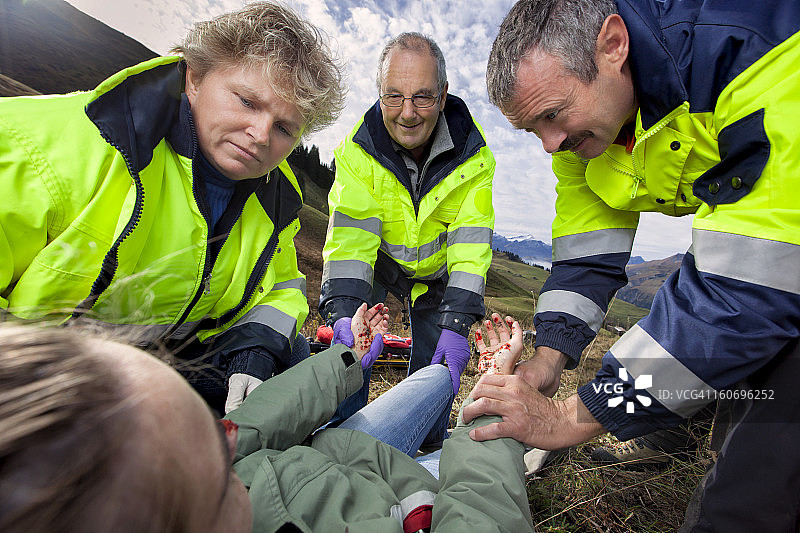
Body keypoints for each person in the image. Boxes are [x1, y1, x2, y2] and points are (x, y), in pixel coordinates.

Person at [474, 0, 800, 529]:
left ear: (613, 46)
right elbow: (585, 257)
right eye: (533, 129)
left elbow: (752, 282)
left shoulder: (752, 49)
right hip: (769, 251)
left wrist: (573, 416)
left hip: (783, 258)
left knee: (752, 481)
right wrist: (549, 358)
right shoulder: (579, 141)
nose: (550, 145)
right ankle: (670, 428)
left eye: (552, 115)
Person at [0, 2, 346, 415]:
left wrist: (253, 357)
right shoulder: (46, 146)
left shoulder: (277, 199)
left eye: (285, 128)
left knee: (310, 366)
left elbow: (281, 290)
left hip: (161, 360)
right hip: (42, 373)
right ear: (194, 78)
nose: (260, 135)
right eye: (247, 102)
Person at [0, 304, 534, 533]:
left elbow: (257, 424)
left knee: (436, 377)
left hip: (342, 453)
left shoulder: (177, 463)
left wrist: (347, 359)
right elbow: (482, 516)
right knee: (501, 452)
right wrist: (494, 397)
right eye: (218, 462)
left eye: (215, 430)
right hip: (412, 503)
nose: (227, 446)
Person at [318, 32, 496, 435]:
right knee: (354, 346)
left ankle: (427, 443)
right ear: (379, 93)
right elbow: (351, 240)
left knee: (435, 371)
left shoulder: (475, 158)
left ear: (444, 95)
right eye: (394, 96)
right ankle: (341, 435)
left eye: (423, 97)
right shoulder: (356, 153)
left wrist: (457, 322)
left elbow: (470, 246)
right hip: (379, 265)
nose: (408, 113)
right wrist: (344, 312)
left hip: (437, 277)